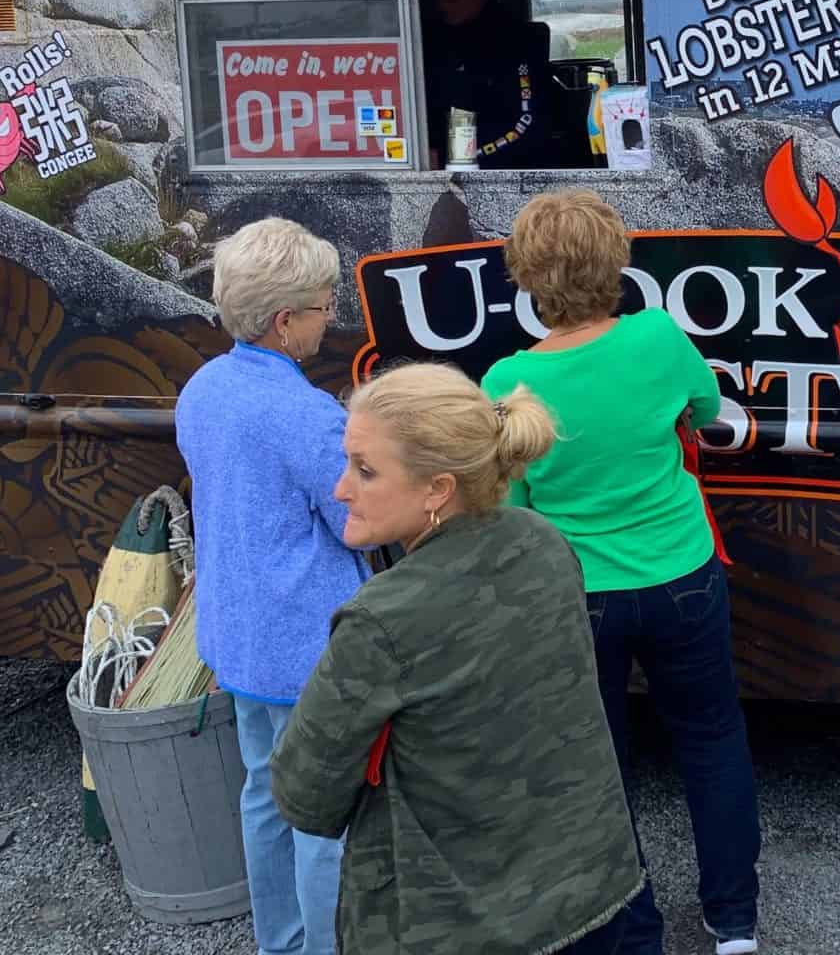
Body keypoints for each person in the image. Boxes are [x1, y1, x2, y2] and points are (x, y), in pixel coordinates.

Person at [269, 363, 642, 955]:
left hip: (459, 926)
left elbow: (301, 796)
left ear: (437, 489)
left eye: (365, 470)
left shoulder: (380, 621)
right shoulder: (541, 540)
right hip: (596, 892)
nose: (341, 489)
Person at [481, 190, 762, 955]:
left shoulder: (507, 381)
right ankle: (734, 923)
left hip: (577, 596)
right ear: (616, 265)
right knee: (712, 739)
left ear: (530, 279)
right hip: (683, 575)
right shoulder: (660, 337)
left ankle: (632, 925)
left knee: (599, 762)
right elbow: (703, 411)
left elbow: (513, 505)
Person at [176, 217, 365, 955]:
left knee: (264, 793)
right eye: (324, 305)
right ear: (287, 322)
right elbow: (359, 522)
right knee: (323, 818)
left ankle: (279, 943)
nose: (331, 319)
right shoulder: (305, 413)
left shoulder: (204, 386)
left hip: (236, 632)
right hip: (305, 644)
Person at [420, 0, 555, 169]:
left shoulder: (515, 42)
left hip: (505, 173)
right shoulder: (426, 43)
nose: (441, 2)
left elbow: (525, 123)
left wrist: (452, 157)